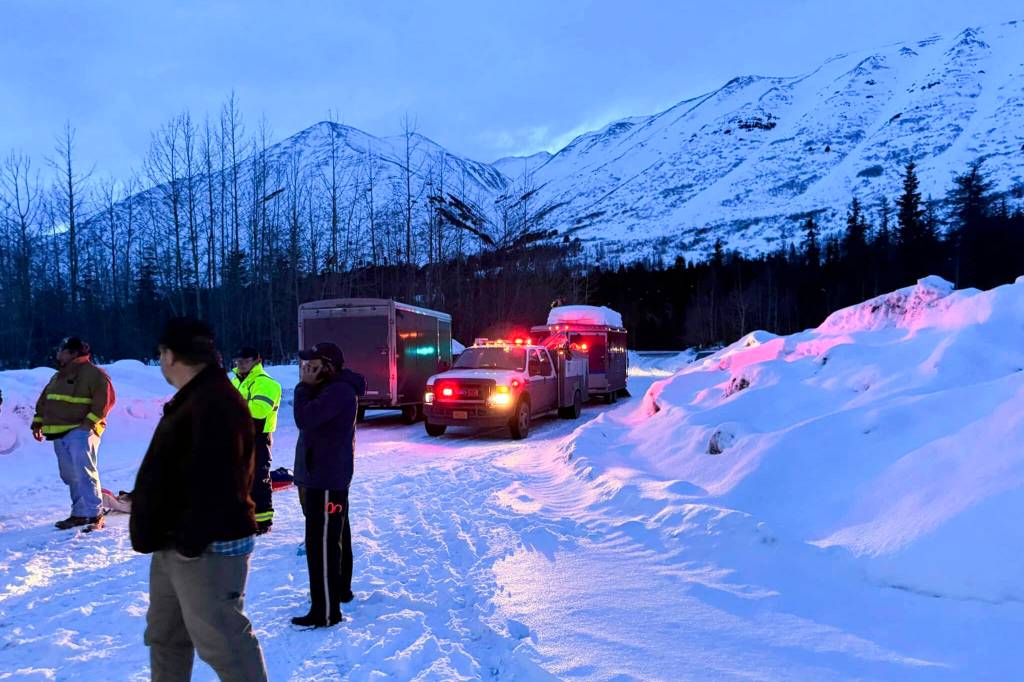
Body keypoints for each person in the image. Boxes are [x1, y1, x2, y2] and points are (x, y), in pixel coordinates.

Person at [129, 318, 268, 682]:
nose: (160, 362)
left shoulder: (216, 402)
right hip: (175, 542)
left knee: (225, 646)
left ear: (170, 355)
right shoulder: (196, 397)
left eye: (160, 354)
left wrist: (190, 543)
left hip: (204, 548)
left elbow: (221, 482)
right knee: (165, 637)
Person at [292, 342, 365, 628]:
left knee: (321, 545)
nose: (306, 369)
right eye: (304, 365)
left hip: (325, 480)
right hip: (326, 477)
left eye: (313, 365)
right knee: (335, 538)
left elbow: (304, 418)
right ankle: (339, 592)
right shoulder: (332, 389)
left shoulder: (338, 391)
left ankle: (325, 612)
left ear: (328, 366)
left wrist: (302, 388)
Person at [32, 337, 115, 530]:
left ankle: (95, 515)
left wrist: (87, 424)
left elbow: (104, 402)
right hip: (58, 432)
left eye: (62, 350)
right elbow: (46, 400)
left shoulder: (95, 375)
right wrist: (38, 422)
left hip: (80, 431)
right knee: (71, 475)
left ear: (73, 353)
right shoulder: (58, 376)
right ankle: (79, 514)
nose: (58, 353)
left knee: (85, 473)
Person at [230, 346, 282, 534]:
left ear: (257, 361)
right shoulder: (237, 381)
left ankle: (262, 521)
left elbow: (259, 410)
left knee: (258, 478)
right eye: (238, 360)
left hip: (258, 437)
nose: (240, 364)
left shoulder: (266, 383)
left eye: (245, 360)